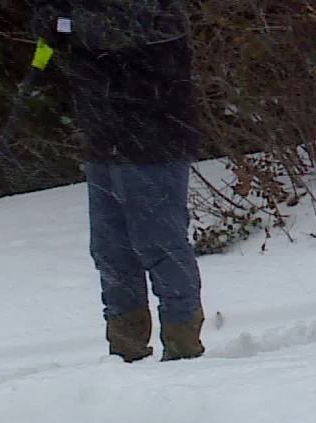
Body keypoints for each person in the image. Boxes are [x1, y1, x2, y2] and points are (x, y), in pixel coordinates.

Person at [33, 0, 205, 362]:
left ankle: (182, 344)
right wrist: (50, 17)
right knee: (110, 248)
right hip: (103, 128)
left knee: (159, 242)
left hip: (155, 126)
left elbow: (129, 28)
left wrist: (69, 24)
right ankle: (125, 350)